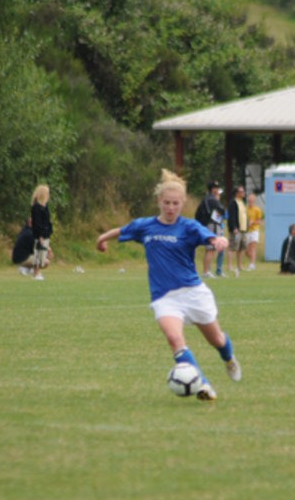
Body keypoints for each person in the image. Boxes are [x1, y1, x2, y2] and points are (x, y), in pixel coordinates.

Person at [96, 169, 242, 401]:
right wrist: (102, 238)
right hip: (164, 297)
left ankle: (229, 359)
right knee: (174, 339)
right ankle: (203, 385)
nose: (171, 208)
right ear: (159, 202)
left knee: (216, 340)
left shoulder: (189, 227)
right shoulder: (145, 226)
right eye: (167, 203)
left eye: (175, 203)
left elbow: (210, 237)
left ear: (182, 203)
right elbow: (123, 230)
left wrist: (219, 240)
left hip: (193, 293)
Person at [195, 180, 227, 278]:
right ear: (212, 189)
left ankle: (207, 271)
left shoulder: (206, 199)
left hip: (209, 225)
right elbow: (223, 211)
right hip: (212, 225)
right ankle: (206, 272)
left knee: (211, 249)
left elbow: (197, 214)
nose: (217, 190)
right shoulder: (212, 199)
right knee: (210, 248)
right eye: (216, 188)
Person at [31, 184, 53, 281]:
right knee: (38, 254)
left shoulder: (45, 207)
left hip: (46, 234)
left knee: (43, 255)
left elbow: (47, 221)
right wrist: (40, 236)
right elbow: (37, 223)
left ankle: (38, 272)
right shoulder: (36, 208)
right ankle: (35, 274)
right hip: (39, 235)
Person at [227, 185, 248, 276]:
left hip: (243, 228)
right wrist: (234, 227)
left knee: (240, 248)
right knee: (232, 247)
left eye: (243, 191)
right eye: (241, 192)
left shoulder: (242, 202)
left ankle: (239, 265)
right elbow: (231, 216)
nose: (243, 193)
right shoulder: (233, 203)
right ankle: (229, 265)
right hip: (236, 228)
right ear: (236, 193)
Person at [245, 193, 262, 271]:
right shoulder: (245, 209)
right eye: (249, 201)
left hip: (254, 230)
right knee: (246, 251)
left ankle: (251, 264)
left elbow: (259, 221)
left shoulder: (257, 209)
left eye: (251, 201)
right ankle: (253, 261)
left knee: (252, 248)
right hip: (247, 231)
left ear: (254, 201)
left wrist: (253, 222)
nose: (250, 202)